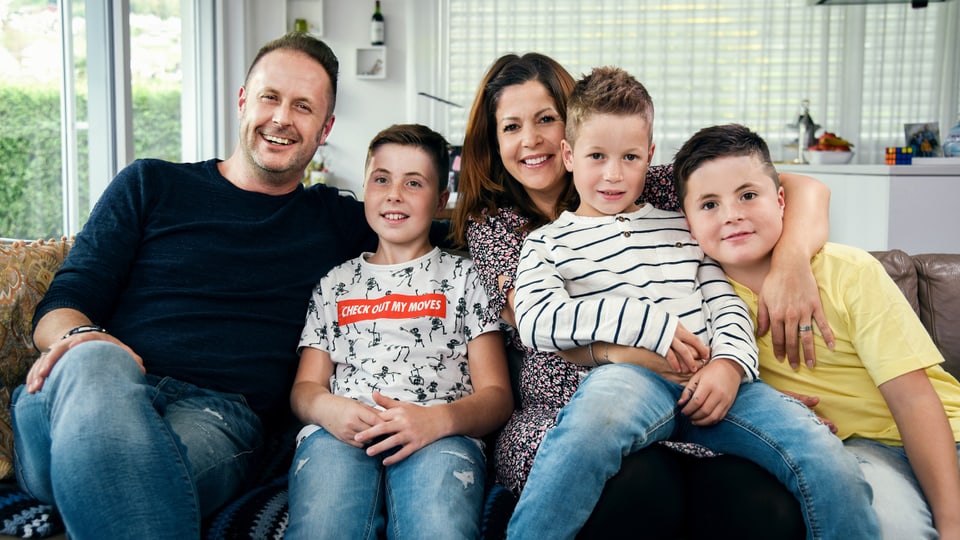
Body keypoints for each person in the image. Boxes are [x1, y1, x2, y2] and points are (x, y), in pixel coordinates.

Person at [10, 32, 386, 538]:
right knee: (99, 361)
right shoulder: (150, 185)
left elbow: (441, 231)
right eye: (270, 97)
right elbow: (64, 303)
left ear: (325, 128)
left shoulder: (336, 221)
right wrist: (82, 344)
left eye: (303, 107)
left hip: (214, 417)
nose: (281, 118)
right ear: (242, 101)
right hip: (89, 390)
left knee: (134, 472)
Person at [450, 52, 830, 538]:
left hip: (689, 392)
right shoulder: (498, 226)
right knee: (646, 488)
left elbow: (801, 187)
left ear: (569, 127)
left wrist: (791, 264)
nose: (531, 140)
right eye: (511, 127)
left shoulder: (642, 182)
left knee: (757, 501)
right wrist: (639, 355)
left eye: (545, 119)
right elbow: (539, 323)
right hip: (564, 409)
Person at [674, 123, 960, 540]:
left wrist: (953, 526)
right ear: (687, 220)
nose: (732, 214)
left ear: (780, 200)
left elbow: (915, 400)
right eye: (710, 204)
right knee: (891, 527)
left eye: (748, 195)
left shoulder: (847, 272)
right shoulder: (699, 302)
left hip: (945, 431)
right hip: (862, 451)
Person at [285, 124, 513, 539]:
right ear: (366, 189)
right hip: (341, 435)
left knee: (439, 528)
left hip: (440, 435)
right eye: (382, 179)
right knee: (323, 526)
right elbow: (305, 389)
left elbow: (497, 397)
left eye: (414, 183)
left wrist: (437, 421)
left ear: (442, 200)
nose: (394, 194)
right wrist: (328, 410)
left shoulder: (466, 278)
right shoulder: (335, 284)